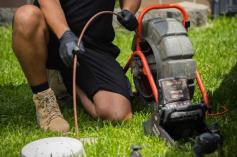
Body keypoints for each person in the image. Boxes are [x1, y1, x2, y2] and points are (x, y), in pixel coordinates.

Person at [12, 0, 141, 133]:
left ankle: (66, 80)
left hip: (92, 44)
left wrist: (128, 10)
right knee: (26, 17)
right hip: (52, 35)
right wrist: (65, 34)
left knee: (117, 114)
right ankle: (44, 100)